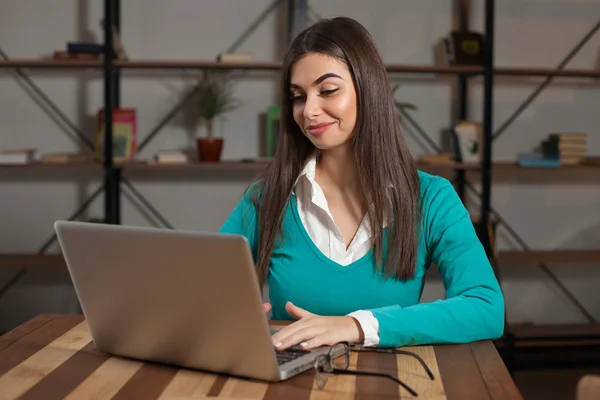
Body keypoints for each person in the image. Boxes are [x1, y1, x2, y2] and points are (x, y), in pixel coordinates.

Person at [219, 16, 505, 351]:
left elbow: (486, 308)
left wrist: (357, 325)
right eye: (298, 96)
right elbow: (200, 288)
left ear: (368, 90)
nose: (309, 110)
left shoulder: (432, 199)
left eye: (327, 91)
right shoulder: (266, 198)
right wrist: (230, 312)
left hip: (391, 381)